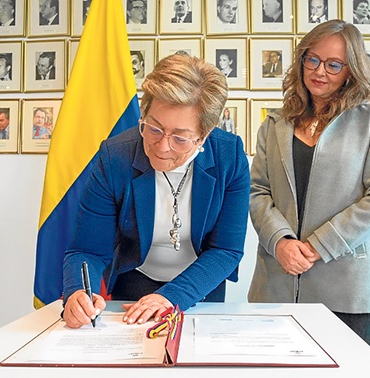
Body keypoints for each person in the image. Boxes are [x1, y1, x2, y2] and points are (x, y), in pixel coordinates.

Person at [61, 53, 250, 328]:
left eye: (180, 138)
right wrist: (77, 291)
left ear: (204, 135)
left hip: (201, 284)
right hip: (134, 280)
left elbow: (226, 249)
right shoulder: (115, 157)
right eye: (154, 129)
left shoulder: (228, 156)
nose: (162, 147)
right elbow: (87, 249)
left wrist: (172, 296)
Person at [248, 20, 370, 349]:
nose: (320, 71)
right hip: (277, 283)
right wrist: (281, 242)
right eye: (312, 59)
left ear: (351, 70)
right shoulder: (274, 124)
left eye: (334, 64)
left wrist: (318, 245)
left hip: (347, 291)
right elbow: (258, 191)